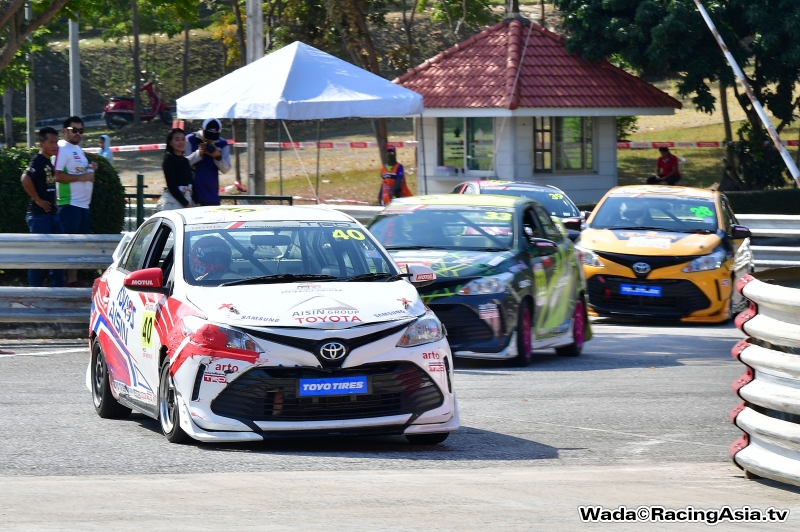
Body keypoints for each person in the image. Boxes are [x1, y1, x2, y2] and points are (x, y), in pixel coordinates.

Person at [20, 127, 65, 287]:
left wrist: (54, 205)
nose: (55, 146)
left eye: (56, 142)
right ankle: (35, 290)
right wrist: (38, 200)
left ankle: (58, 288)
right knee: (39, 253)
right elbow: (25, 179)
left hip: (51, 214)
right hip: (38, 215)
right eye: (51, 142)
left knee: (59, 253)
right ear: (42, 144)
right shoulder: (37, 161)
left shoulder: (48, 162)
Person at [55, 116, 96, 287]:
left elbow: (81, 172)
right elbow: (57, 175)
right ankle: (62, 281)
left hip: (83, 205)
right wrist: (82, 177)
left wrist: (91, 167)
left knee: (79, 246)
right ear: (65, 131)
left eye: (81, 130)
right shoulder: (62, 148)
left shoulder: (77, 149)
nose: (78, 133)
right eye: (74, 130)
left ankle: (73, 279)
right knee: (68, 246)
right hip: (69, 204)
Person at [185, 118, 231, 206]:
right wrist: (198, 153)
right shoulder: (190, 139)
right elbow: (183, 164)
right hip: (192, 194)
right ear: (202, 129)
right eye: (208, 135)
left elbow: (226, 169)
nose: (210, 140)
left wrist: (217, 157)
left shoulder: (222, 144)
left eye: (213, 138)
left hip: (212, 195)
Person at [157, 128, 195, 211]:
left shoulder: (185, 161)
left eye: (183, 139)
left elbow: (190, 182)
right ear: (170, 142)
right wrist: (186, 204)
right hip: (173, 203)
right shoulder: (169, 159)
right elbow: (171, 185)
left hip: (187, 199)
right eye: (177, 140)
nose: (181, 142)